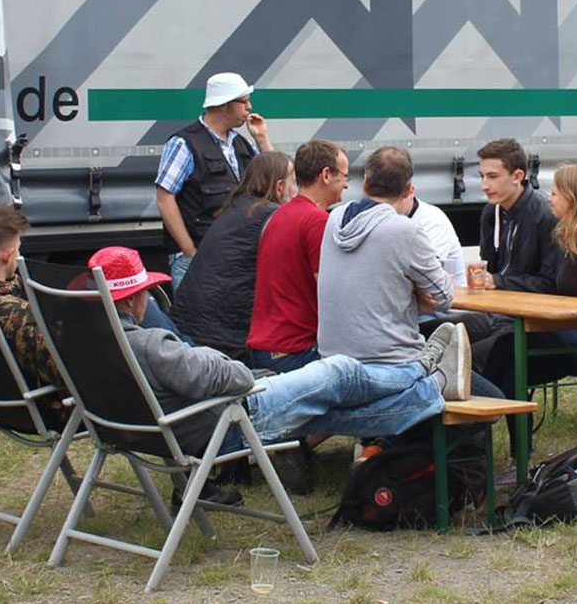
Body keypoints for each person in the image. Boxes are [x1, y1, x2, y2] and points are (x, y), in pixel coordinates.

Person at [91, 246, 469, 463]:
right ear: (138, 298)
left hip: (167, 434)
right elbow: (234, 378)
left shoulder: (91, 346)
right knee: (338, 373)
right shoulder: (151, 345)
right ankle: (421, 369)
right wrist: (229, 365)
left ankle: (432, 387)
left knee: (332, 412)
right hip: (231, 421)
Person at [315, 146, 473, 489]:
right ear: (408, 190)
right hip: (392, 364)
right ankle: (402, 466)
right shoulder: (405, 230)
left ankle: (382, 453)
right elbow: (444, 295)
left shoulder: (332, 220)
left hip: (332, 357)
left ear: (365, 180)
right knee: (485, 398)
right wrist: (414, 294)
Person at [483, 161, 577, 398]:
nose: (549, 199)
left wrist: (552, 322)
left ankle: (477, 421)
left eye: (554, 193)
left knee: (510, 344)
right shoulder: (569, 233)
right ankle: (490, 423)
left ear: (573, 197)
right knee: (511, 362)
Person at [153, 71, 273, 286]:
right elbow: (164, 198)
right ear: (225, 105)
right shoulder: (184, 143)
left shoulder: (242, 144)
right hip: (196, 261)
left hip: (232, 259)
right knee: (196, 320)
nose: (249, 107)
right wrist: (189, 251)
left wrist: (262, 138)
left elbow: (276, 179)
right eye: (243, 101)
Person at [170, 150, 293, 358]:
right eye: (295, 182)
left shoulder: (239, 205)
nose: (296, 190)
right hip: (221, 336)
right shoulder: (270, 216)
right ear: (280, 187)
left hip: (189, 323)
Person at [247, 138, 349, 372]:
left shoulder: (278, 215)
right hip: (296, 352)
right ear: (326, 175)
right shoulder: (318, 221)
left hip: (265, 348)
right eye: (344, 176)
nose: (345, 184)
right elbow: (330, 293)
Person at [0, 201, 65, 395]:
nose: (19, 254)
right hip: (51, 410)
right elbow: (68, 373)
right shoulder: (16, 315)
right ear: (8, 255)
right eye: (18, 248)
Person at [475, 136, 558, 293]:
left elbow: (550, 283)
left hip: (532, 311)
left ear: (517, 176)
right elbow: (489, 268)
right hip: (498, 306)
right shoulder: (490, 212)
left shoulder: (545, 214)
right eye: (481, 176)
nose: (484, 186)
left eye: (492, 177)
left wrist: (499, 281)